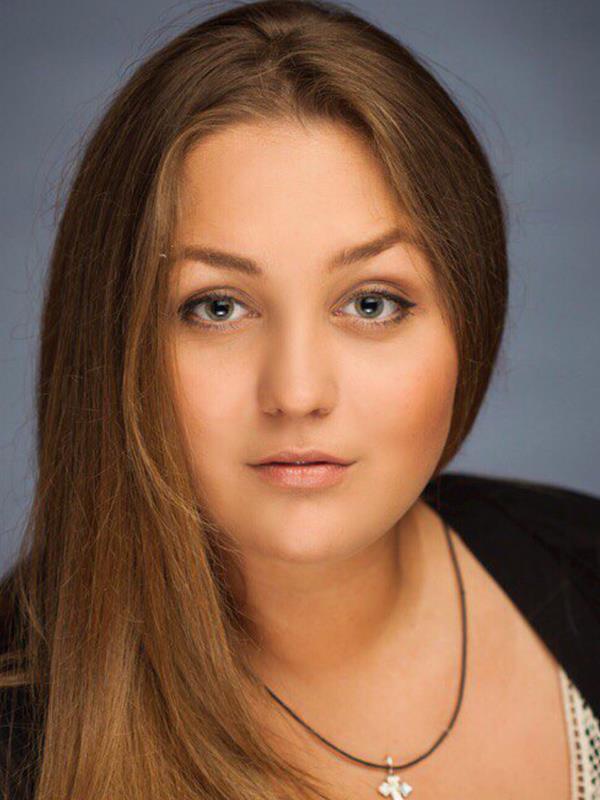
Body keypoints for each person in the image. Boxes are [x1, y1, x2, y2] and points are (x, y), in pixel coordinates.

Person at [1, 1, 598, 799]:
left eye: (371, 302)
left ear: (471, 317)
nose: (297, 393)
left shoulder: (585, 562)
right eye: (218, 307)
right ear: (113, 339)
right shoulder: (19, 732)